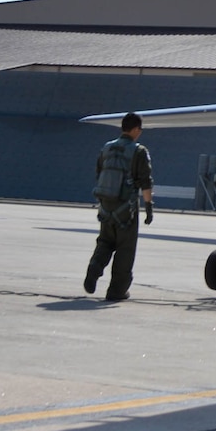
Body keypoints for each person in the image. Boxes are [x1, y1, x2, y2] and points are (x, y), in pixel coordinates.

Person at [86, 112, 154, 301]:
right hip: (126, 210)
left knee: (105, 242)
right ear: (134, 129)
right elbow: (145, 182)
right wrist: (149, 206)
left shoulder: (106, 148)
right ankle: (117, 290)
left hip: (106, 205)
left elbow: (99, 174)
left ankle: (94, 268)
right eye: (139, 129)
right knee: (125, 249)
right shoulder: (139, 151)